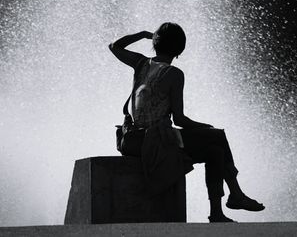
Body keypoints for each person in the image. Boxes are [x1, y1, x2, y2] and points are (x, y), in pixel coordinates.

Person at [109, 22, 264, 223]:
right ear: (180, 50)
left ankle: (217, 213)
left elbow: (114, 46)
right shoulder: (174, 74)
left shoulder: (140, 63)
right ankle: (235, 194)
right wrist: (204, 127)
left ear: (155, 44)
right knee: (217, 136)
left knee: (215, 151)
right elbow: (180, 119)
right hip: (155, 141)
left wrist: (142, 34)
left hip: (133, 140)